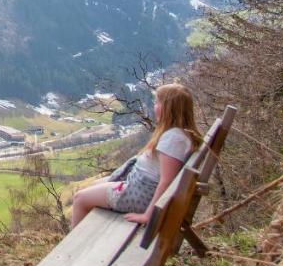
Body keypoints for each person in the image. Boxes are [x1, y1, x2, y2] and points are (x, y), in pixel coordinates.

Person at [69, 83, 201, 227]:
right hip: (139, 187)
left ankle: (74, 247)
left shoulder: (173, 139)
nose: (154, 106)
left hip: (139, 194)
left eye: (157, 102)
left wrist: (148, 215)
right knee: (92, 187)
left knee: (80, 198)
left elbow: (166, 180)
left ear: (168, 108)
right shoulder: (180, 134)